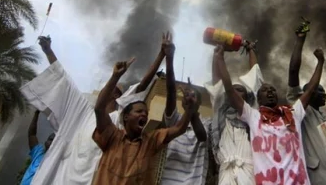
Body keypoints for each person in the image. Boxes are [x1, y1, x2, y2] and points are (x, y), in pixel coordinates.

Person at [20, 35, 163, 185]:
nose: (104, 88)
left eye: (109, 87)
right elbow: (64, 81)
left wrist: (162, 54)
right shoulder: (81, 113)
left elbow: (142, 86)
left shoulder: (120, 118)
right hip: (63, 178)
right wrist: (48, 51)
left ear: (116, 95)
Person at [214, 42, 326, 185]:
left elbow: (310, 91)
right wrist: (220, 59)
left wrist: (320, 62)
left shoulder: (292, 114)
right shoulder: (253, 116)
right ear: (258, 99)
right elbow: (229, 90)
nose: (270, 92)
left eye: (273, 90)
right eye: (265, 90)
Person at [92, 53, 199, 184]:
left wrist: (189, 109)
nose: (145, 115)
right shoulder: (112, 137)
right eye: (139, 111)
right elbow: (99, 108)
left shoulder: (151, 142)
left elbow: (178, 128)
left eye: (146, 113)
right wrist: (115, 76)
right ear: (126, 117)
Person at [286, 21, 326, 185]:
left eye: (324, 91)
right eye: (319, 91)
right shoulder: (301, 111)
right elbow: (293, 71)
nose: (324, 94)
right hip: (315, 178)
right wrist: (300, 41)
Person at [205, 39, 262, 185]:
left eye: (240, 90)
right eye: (233, 89)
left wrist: (251, 51)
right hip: (226, 172)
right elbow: (217, 82)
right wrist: (217, 56)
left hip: (250, 171)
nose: (235, 93)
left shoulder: (252, 113)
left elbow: (255, 77)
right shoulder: (221, 111)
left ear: (247, 97)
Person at [160, 32, 210, 184]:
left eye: (193, 96)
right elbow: (170, 91)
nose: (188, 97)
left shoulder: (207, 123)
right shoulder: (174, 120)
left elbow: (202, 137)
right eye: (186, 95)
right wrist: (169, 58)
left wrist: (192, 112)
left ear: (199, 103)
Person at [20, 110, 55, 185]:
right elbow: (32, 134)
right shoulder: (38, 153)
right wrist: (36, 113)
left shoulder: (56, 161)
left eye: (53, 141)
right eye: (50, 139)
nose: (50, 142)